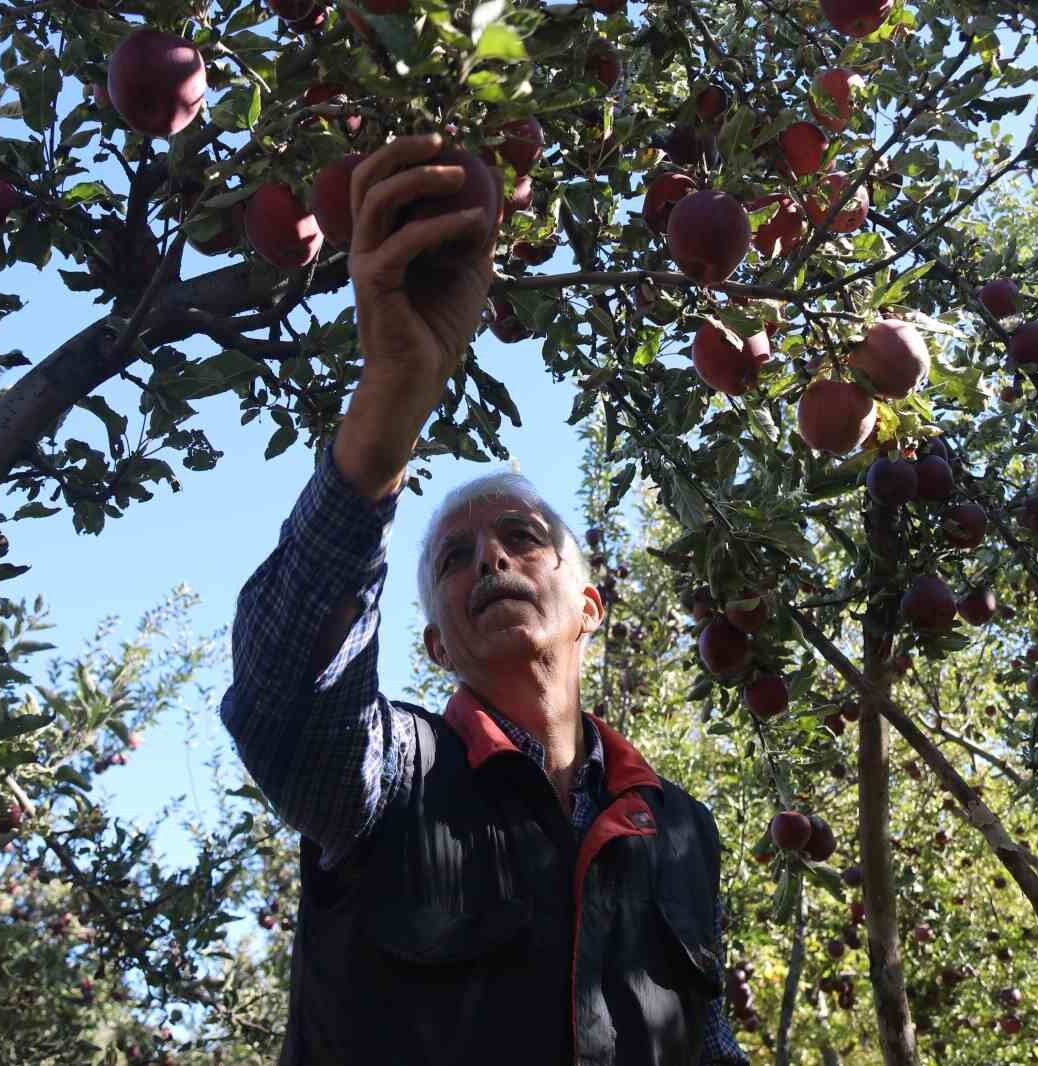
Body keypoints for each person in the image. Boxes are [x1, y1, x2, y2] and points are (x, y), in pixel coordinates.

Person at [220, 133, 748, 1066]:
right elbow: (283, 701)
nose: (489, 561)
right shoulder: (391, 781)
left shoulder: (679, 829)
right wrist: (390, 399)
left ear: (590, 603)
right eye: (455, 557)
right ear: (434, 643)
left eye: (523, 539)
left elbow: (707, 1046)